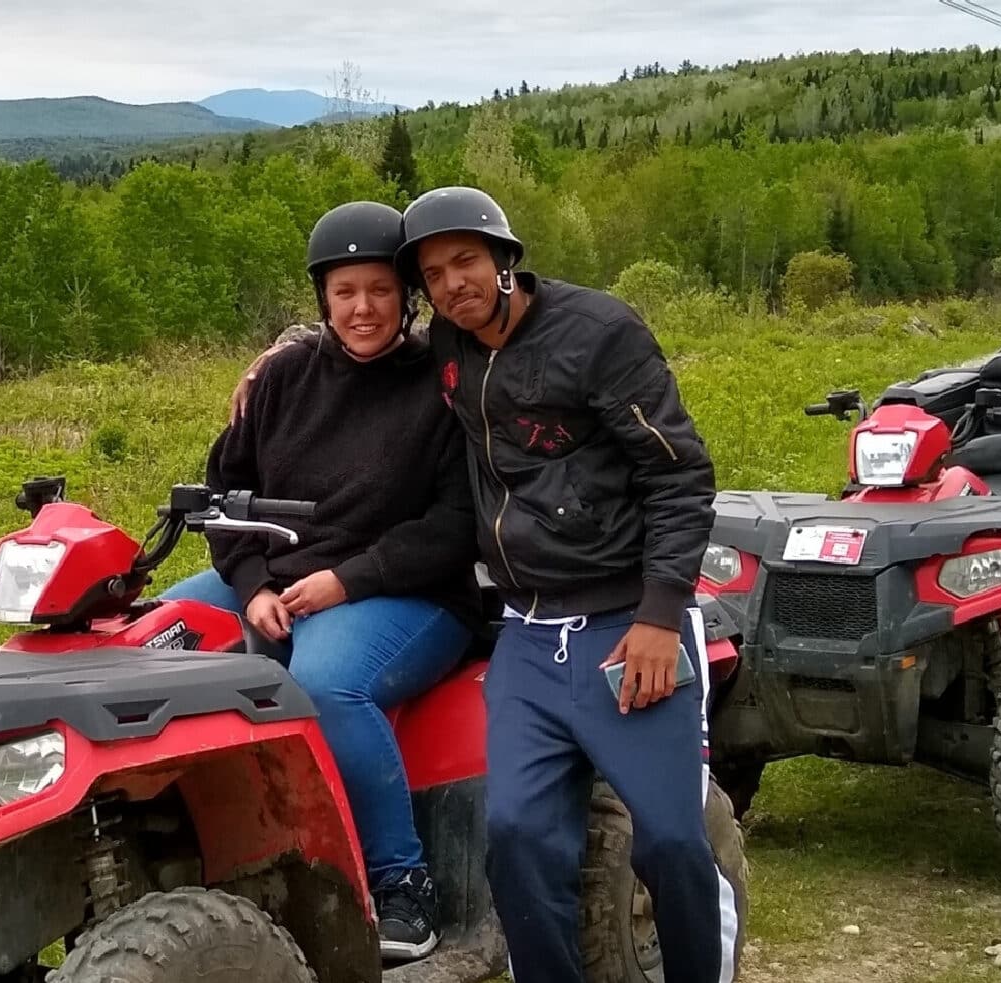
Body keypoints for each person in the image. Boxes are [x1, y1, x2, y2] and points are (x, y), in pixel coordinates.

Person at [233, 187, 740, 983]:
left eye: (466, 261)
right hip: (531, 631)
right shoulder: (449, 350)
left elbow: (680, 479)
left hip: (625, 620)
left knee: (673, 838)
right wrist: (285, 348)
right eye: (433, 273)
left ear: (506, 258)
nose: (452, 283)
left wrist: (661, 614)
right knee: (517, 839)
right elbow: (357, 334)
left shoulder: (600, 333)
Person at [159, 200, 481, 961]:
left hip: (410, 590)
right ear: (322, 300)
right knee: (160, 636)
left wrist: (346, 580)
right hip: (279, 580)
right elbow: (224, 495)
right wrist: (251, 586)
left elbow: (453, 524)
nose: (363, 307)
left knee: (328, 680)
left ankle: (404, 882)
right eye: (345, 292)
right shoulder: (284, 377)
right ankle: (195, 852)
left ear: (406, 295)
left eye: (379, 289)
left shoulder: (441, 382)